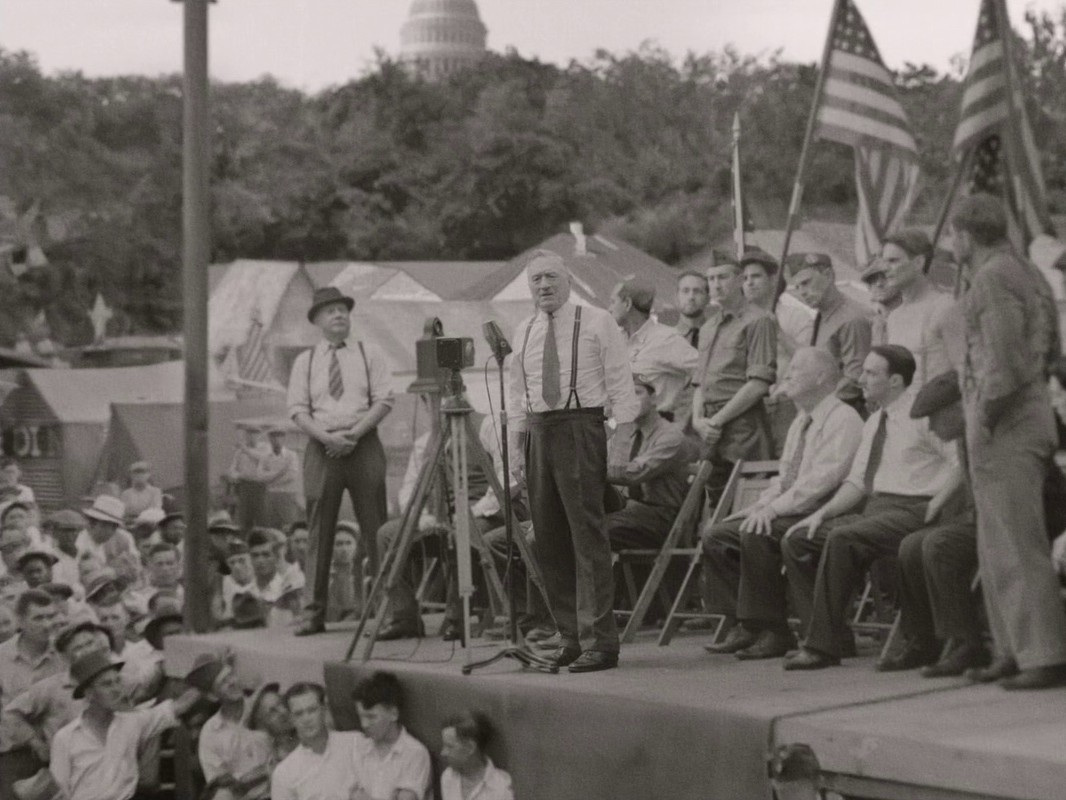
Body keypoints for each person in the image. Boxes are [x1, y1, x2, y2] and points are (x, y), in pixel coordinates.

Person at [781, 346, 960, 670]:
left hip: (916, 508)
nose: (860, 379)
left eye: (871, 373)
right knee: (799, 539)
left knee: (843, 538)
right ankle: (831, 636)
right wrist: (822, 513)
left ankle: (820, 647)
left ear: (895, 380)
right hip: (877, 510)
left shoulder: (922, 416)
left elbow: (959, 463)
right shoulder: (875, 421)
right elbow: (857, 482)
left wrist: (939, 501)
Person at [949, 193, 1066, 689]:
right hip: (1026, 417)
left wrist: (983, 418)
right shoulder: (1026, 271)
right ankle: (1012, 649)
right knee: (996, 543)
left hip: (1008, 424)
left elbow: (1005, 361)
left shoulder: (993, 278)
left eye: (954, 235)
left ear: (965, 235)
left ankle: (1042, 653)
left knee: (1017, 543)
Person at [508, 249, 639, 673]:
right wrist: (517, 448)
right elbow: (517, 396)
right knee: (548, 539)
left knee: (587, 537)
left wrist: (621, 444)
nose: (544, 285)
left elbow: (621, 385)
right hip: (538, 431)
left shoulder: (597, 321)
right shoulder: (524, 330)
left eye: (551, 277)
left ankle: (600, 642)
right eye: (536, 279)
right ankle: (570, 636)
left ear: (567, 281)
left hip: (581, 427)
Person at [701, 348, 863, 659]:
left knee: (757, 532)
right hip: (795, 508)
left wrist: (772, 511)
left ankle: (774, 631)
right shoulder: (801, 421)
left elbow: (822, 481)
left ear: (821, 377)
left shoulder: (844, 419)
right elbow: (785, 477)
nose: (787, 374)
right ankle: (747, 624)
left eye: (797, 369)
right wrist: (760, 506)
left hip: (826, 511)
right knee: (718, 535)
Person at [287, 286, 394, 636]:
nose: (338, 315)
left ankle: (388, 611)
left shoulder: (369, 352)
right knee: (319, 530)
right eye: (330, 310)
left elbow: (384, 399)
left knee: (376, 528)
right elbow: (297, 411)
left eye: (343, 310)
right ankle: (313, 613)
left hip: (363, 443)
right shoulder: (305, 362)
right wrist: (327, 438)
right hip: (322, 446)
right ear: (317, 319)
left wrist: (354, 434)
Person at [879, 370, 987, 676]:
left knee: (939, 544)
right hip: (978, 518)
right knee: (911, 545)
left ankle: (967, 642)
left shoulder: (984, 434)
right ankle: (923, 641)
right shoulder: (964, 439)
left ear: (958, 409)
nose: (930, 427)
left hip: (1003, 519)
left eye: (934, 418)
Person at [49, 649, 202, 800]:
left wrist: (208, 679)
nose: (117, 689)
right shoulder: (65, 738)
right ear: (89, 693)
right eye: (107, 684)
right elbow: (59, 791)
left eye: (118, 681)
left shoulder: (132, 722)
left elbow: (179, 706)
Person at [691, 257, 777, 495]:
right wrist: (698, 420)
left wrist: (717, 421)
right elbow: (700, 382)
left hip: (742, 429)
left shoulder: (759, 321)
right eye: (711, 279)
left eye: (723, 277)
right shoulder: (708, 328)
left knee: (744, 497)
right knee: (712, 497)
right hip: (709, 429)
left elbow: (759, 384)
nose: (716, 284)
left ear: (740, 279)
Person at [606, 377, 695, 567]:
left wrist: (589, 467)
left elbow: (632, 474)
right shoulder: (624, 437)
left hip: (661, 519)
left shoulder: (670, 436)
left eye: (636, 393)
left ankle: (592, 585)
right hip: (631, 513)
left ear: (654, 399)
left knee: (590, 530)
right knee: (572, 523)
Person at [0, 621, 112, 771]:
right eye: (78, 648)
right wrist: (37, 744)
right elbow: (10, 713)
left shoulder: (119, 679)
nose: (88, 651)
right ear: (65, 657)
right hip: (70, 770)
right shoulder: (52, 687)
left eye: (90, 643)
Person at [785, 252, 873, 412]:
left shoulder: (851, 318)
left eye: (806, 283)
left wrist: (817, 410)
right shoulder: (823, 315)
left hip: (844, 412)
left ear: (828, 275)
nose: (802, 292)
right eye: (797, 287)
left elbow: (855, 380)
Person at [608, 275, 698, 424]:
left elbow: (706, 372)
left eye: (613, 302)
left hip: (655, 428)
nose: (609, 309)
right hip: (619, 428)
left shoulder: (666, 339)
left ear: (627, 304)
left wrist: (691, 417)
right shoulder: (617, 341)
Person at [0, 590, 62, 796]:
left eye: (51, 616)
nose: (47, 624)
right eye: (38, 618)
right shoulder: (1, 658)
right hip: (14, 755)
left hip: (59, 753)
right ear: (20, 620)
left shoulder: (63, 654)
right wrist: (33, 740)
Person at [187, 654, 272, 797]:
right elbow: (221, 784)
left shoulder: (262, 707)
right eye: (223, 682)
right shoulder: (210, 733)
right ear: (213, 696)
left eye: (230, 675)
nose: (231, 682)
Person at [880, 229, 955, 387]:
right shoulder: (894, 317)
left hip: (935, 400)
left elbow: (967, 374)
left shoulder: (944, 307)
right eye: (884, 261)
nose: (884, 268)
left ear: (918, 262)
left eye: (893, 261)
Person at [271, 682, 361, 800]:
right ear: (291, 719)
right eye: (299, 714)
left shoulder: (355, 743)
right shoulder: (284, 773)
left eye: (312, 710)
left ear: (324, 710)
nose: (306, 719)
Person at [350, 671, 431, 800]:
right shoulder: (359, 747)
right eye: (361, 716)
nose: (364, 724)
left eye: (371, 717)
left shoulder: (415, 753)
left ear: (394, 714)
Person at [439, 710, 514, 800]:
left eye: (449, 746)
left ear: (470, 747)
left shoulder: (501, 787)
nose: (443, 752)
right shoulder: (448, 777)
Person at [77, 496, 138, 581]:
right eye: (104, 526)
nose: (110, 532)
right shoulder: (80, 543)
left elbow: (135, 569)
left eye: (114, 527)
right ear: (92, 523)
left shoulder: (118, 540)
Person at [257, 427, 304, 530]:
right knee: (271, 527)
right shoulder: (265, 457)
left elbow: (291, 476)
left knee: (289, 525)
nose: (277, 440)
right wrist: (280, 473)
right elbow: (260, 476)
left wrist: (270, 479)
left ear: (284, 439)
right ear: (270, 439)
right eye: (273, 437)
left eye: (279, 437)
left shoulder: (291, 455)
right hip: (271, 495)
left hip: (287, 494)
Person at [245, 682, 298, 768]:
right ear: (261, 725)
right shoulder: (271, 760)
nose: (283, 711)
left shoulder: (309, 736)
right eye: (273, 711)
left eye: (282, 703)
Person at [228, 425, 270, 533]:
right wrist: (238, 475)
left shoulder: (265, 448)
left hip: (260, 486)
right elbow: (232, 469)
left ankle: (261, 538)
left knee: (261, 516)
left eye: (254, 434)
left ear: (259, 436)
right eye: (249, 434)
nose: (251, 437)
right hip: (245, 485)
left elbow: (263, 459)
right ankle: (245, 537)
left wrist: (246, 450)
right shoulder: (240, 452)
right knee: (244, 516)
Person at [125, 543, 184, 618]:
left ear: (179, 565)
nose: (165, 568)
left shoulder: (190, 592)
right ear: (150, 566)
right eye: (159, 564)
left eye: (170, 563)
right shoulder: (137, 597)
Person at [860, 256, 902, 345]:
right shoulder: (865, 320)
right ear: (869, 287)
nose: (879, 284)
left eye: (886, 277)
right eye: (872, 280)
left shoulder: (912, 316)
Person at [675, 269, 710, 349]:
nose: (691, 297)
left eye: (697, 291)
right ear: (677, 297)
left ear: (708, 298)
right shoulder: (665, 340)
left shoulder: (721, 337)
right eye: (685, 291)